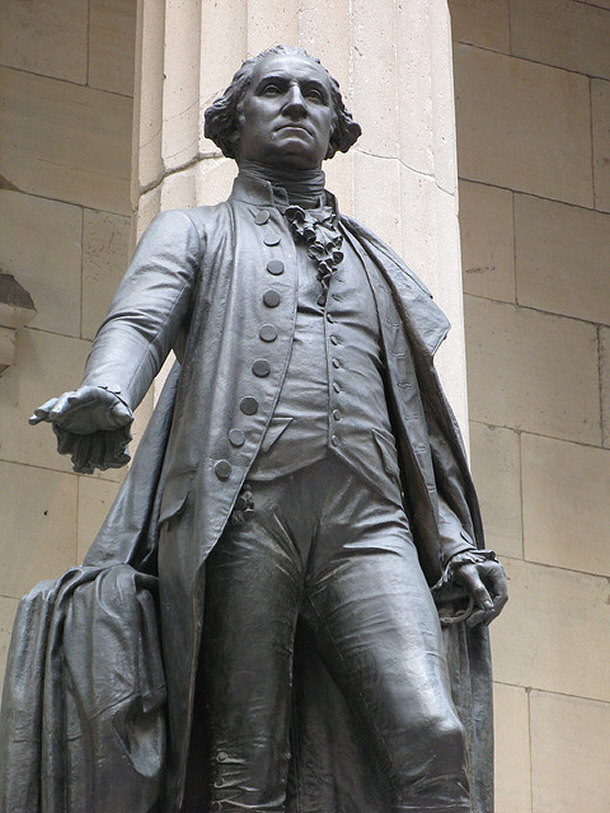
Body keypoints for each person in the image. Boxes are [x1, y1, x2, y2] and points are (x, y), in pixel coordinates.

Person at [26, 45, 507, 813]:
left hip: (370, 522)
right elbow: (141, 318)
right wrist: (108, 389)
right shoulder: (196, 232)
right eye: (273, 89)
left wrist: (448, 537)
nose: (295, 103)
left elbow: (411, 425)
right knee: (243, 760)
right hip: (242, 516)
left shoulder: (374, 263)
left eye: (314, 93)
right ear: (234, 119)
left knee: (433, 730)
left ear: (335, 125)